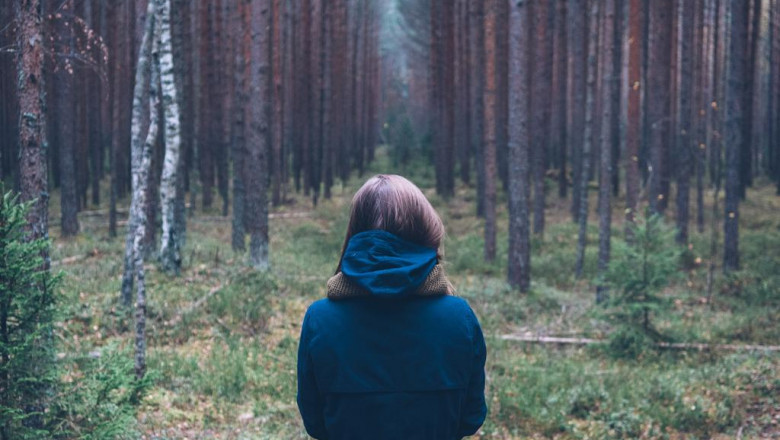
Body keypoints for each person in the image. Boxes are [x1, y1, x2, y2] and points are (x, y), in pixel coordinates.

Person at [297, 174, 487, 440]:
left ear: (356, 231)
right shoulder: (460, 317)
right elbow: (471, 419)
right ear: (425, 230)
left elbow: (315, 423)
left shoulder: (319, 319)